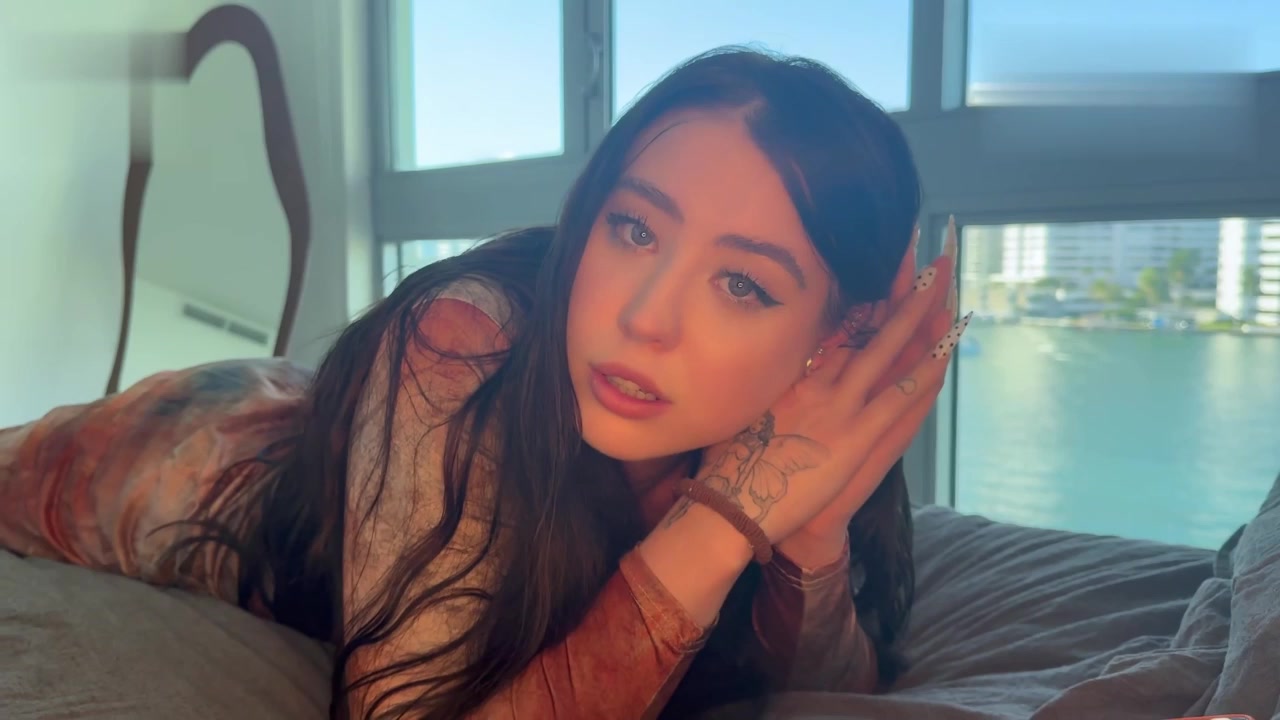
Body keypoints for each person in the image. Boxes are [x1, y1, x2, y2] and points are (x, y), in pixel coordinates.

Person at [0, 47, 967, 719]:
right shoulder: (459, 340)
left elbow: (831, 688)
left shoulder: (793, 419)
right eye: (634, 229)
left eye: (742, 283)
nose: (645, 317)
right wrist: (724, 520)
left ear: (835, 339)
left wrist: (810, 528)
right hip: (182, 457)